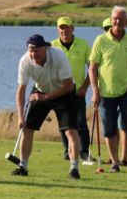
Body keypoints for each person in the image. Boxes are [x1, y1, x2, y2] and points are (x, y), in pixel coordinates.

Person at [14, 34, 82, 179]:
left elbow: (69, 86)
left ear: (45, 48)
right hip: (40, 91)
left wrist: (45, 97)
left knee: (70, 131)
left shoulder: (58, 56)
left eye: (37, 50)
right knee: (27, 128)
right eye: (31, 50)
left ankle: (74, 169)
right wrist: (20, 117)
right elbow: (21, 91)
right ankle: (22, 167)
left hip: (64, 93)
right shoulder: (25, 61)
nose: (33, 54)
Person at [89, 6, 127, 174]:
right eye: (115, 18)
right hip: (105, 94)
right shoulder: (101, 40)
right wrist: (95, 92)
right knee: (109, 130)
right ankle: (115, 163)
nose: (117, 21)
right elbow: (92, 68)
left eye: (121, 18)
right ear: (111, 19)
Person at [51, 17, 93, 162]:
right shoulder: (52, 46)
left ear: (72, 28)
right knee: (64, 123)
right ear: (58, 30)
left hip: (78, 91)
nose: (64, 30)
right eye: (61, 28)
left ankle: (84, 152)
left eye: (67, 27)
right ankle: (67, 151)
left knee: (81, 122)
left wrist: (85, 87)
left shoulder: (83, 44)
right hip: (60, 91)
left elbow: (93, 68)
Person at [101, 17, 127, 166]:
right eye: (105, 28)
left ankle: (124, 158)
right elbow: (94, 67)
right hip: (106, 91)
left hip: (124, 90)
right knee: (110, 126)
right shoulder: (101, 42)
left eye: (109, 27)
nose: (109, 30)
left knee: (124, 124)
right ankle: (113, 158)